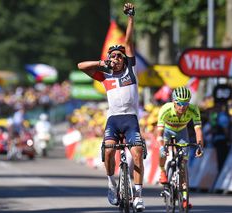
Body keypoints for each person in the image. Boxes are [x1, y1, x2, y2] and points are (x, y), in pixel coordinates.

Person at [77, 3, 145, 211]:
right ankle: (111, 183)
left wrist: (131, 18)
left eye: (119, 56)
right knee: (108, 151)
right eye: (112, 56)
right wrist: (101, 63)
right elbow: (80, 66)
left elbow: (128, 41)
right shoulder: (104, 75)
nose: (115, 59)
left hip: (131, 120)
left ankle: (138, 195)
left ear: (125, 59)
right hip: (114, 120)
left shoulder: (130, 70)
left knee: (137, 153)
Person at [156, 86, 204, 208]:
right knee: (162, 153)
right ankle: (162, 171)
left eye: (186, 103)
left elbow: (198, 130)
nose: (182, 106)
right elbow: (159, 134)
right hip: (167, 131)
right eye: (179, 103)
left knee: (183, 164)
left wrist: (200, 146)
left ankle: (183, 198)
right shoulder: (165, 109)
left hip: (182, 132)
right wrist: (162, 147)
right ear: (173, 101)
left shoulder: (193, 110)